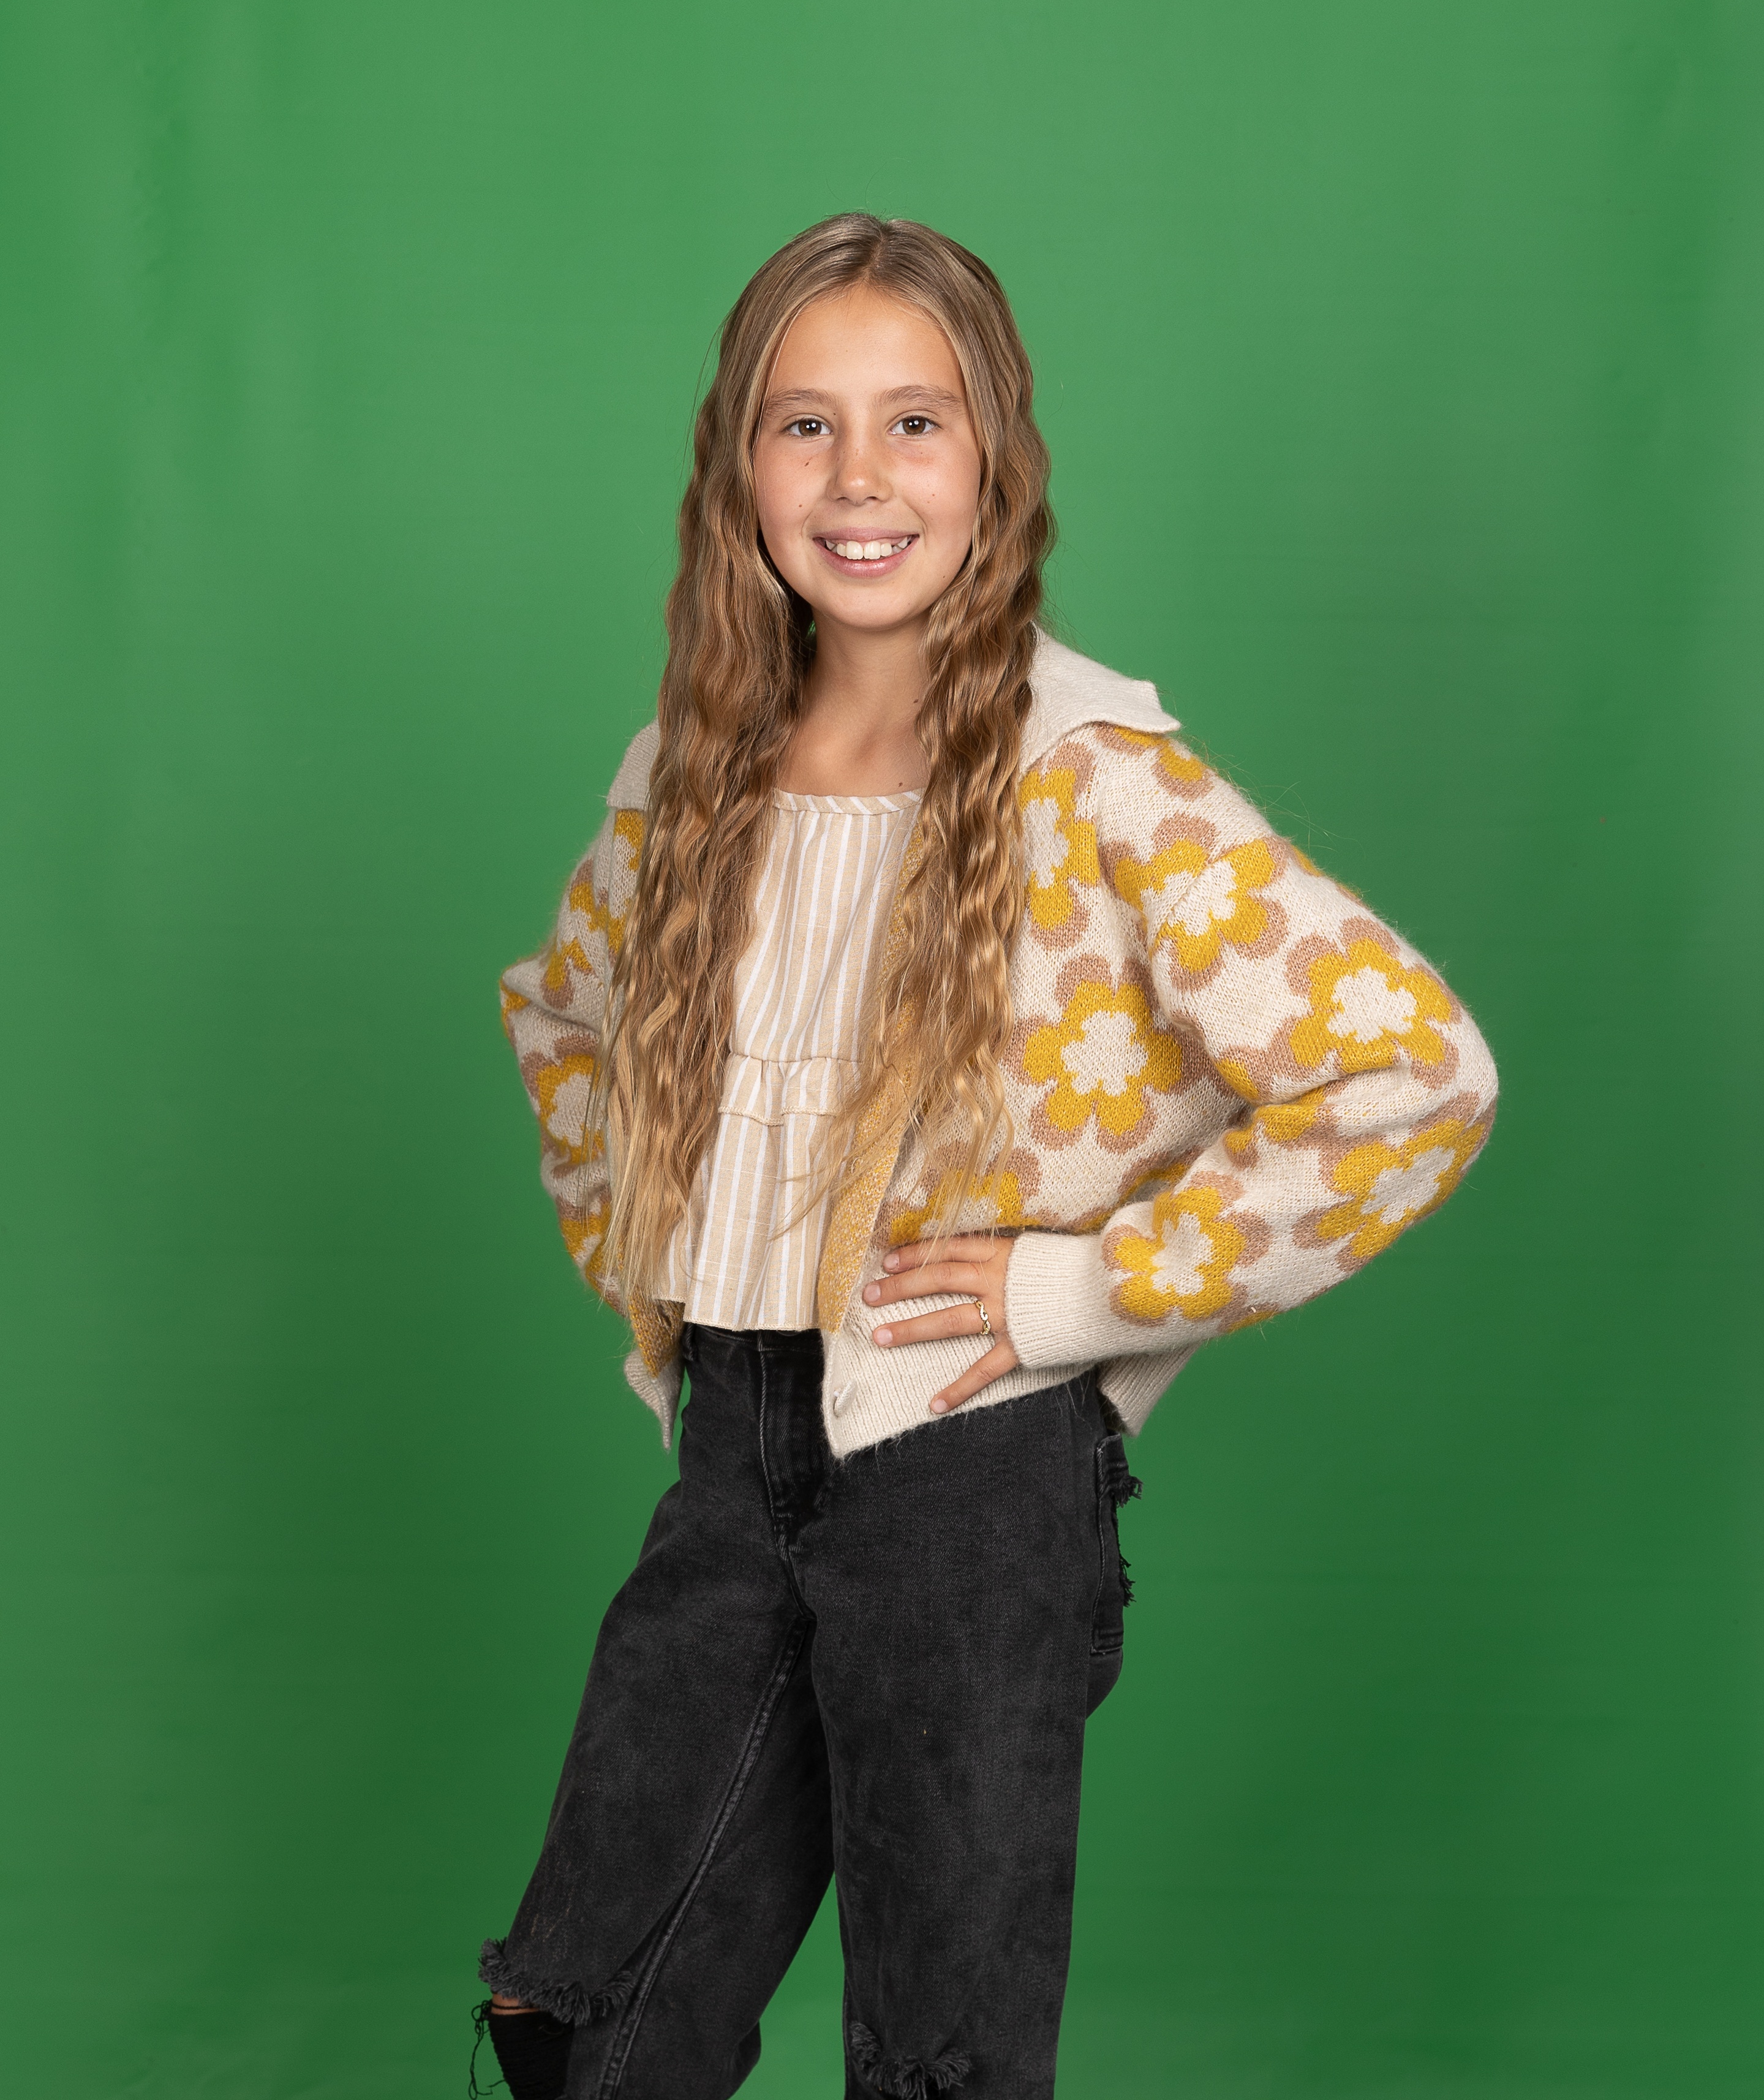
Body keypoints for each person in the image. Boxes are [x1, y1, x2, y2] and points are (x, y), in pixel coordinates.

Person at [474, 214, 1498, 2100]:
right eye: (805, 424)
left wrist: (1083, 1294)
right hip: (739, 1434)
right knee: (586, 2002)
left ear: (995, 462)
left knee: (940, 2042)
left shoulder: (1095, 771)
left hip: (972, 1466)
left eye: (915, 422)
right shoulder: (683, 772)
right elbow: (571, 1023)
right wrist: (670, 1294)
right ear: (738, 467)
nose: (859, 477)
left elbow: (1414, 1077)